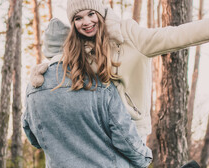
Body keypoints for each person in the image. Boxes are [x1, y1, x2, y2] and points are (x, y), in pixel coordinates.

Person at [30, 0, 209, 140]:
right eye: (78, 18)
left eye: (91, 14)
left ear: (100, 12)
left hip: (130, 131)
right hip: (97, 133)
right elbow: (56, 64)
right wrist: (42, 69)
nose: (86, 22)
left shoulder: (128, 35)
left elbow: (172, 36)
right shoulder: (78, 50)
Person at [23, 18, 153, 167]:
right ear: (74, 44)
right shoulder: (96, 82)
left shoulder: (33, 88)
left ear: (47, 50)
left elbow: (33, 136)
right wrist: (145, 157)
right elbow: (123, 135)